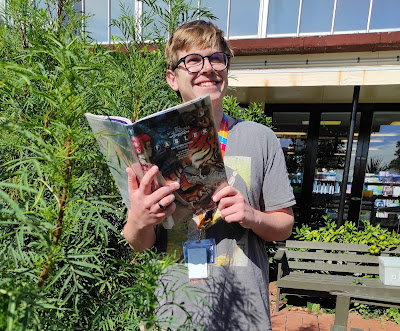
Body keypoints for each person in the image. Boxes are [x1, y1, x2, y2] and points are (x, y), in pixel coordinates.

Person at [123, 20, 296, 330]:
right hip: (175, 314)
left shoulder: (260, 138)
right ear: (172, 78)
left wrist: (251, 216)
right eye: (193, 60)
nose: (208, 68)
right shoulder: (150, 145)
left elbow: (284, 225)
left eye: (217, 58)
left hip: (244, 313)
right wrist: (139, 219)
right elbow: (139, 242)